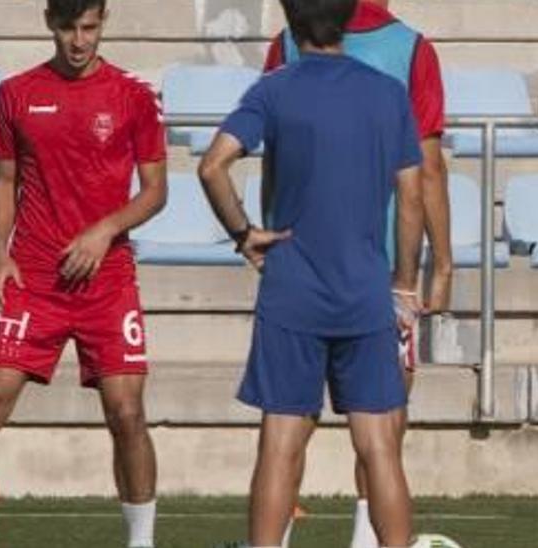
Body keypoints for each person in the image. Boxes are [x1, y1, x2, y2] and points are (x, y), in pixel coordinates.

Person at [196, 0, 425, 545]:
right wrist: (405, 282)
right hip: (366, 289)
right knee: (378, 447)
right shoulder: (387, 94)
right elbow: (412, 196)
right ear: (347, 17)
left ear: (290, 20)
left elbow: (211, 166)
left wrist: (243, 232)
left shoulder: (275, 89)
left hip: (292, 288)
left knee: (280, 442)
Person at [262, 2, 451, 545]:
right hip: (379, 270)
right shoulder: (412, 49)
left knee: (284, 427)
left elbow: (273, 158)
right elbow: (427, 167)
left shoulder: (289, 40)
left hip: (300, 266)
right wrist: (437, 264)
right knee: (381, 432)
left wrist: (271, 245)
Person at [0, 1, 167, 546]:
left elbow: (156, 191)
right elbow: (5, 180)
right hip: (32, 276)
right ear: (49, 23)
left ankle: (141, 541)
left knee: (126, 412)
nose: (78, 40)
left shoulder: (133, 96)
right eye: (68, 27)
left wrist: (104, 229)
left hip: (107, 280)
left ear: (103, 21)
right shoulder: (15, 93)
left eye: (89, 27)